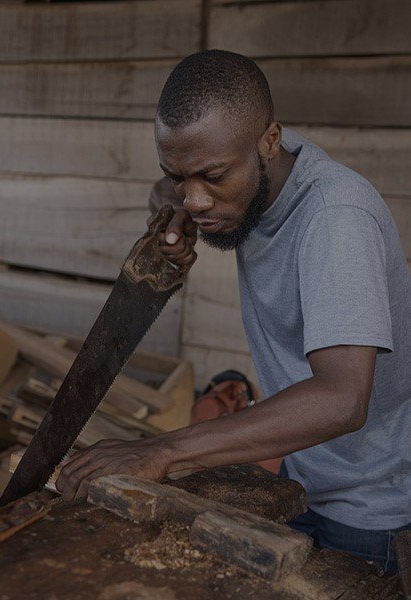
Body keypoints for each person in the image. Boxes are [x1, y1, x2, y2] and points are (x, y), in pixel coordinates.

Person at [57, 50, 411, 574]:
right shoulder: (246, 173)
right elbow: (182, 186)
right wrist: (174, 209)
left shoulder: (337, 220)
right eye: (179, 176)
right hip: (303, 479)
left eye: (212, 176)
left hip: (367, 511)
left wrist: (164, 451)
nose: (197, 199)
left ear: (270, 140)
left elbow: (341, 400)